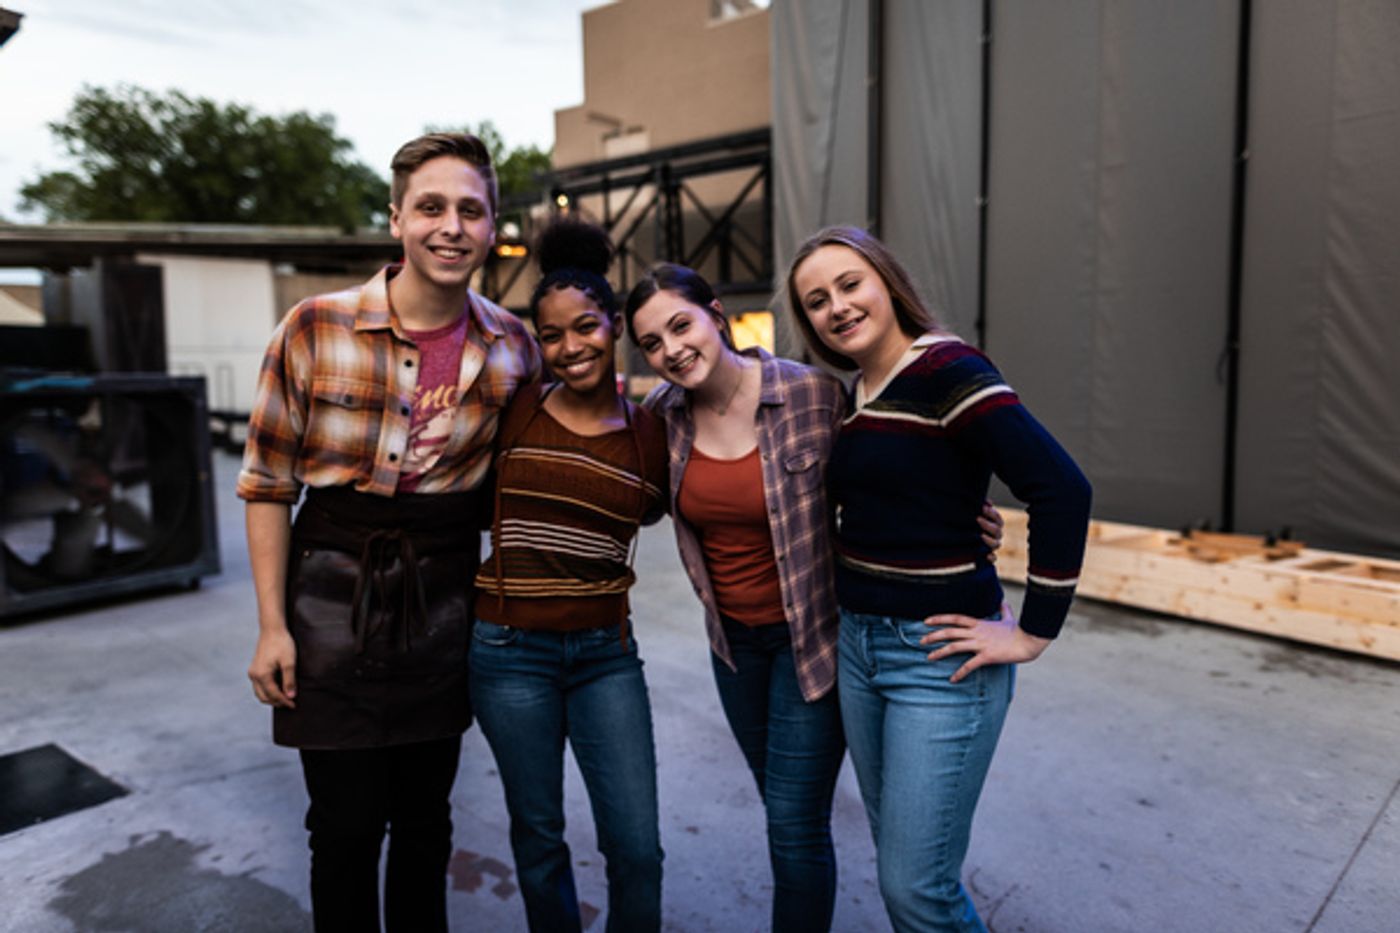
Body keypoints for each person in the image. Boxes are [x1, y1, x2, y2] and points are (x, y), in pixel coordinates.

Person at [624, 263, 1003, 932]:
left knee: (794, 824)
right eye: (652, 343)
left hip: (816, 642)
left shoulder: (814, 395)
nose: (672, 349)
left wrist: (962, 515)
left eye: (681, 324)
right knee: (782, 809)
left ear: (716, 313)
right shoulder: (661, 417)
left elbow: (894, 469)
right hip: (733, 649)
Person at [238, 132, 541, 933]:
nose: (451, 226)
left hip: (443, 598)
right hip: (330, 590)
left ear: (492, 226)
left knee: (425, 820)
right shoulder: (312, 327)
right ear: (396, 218)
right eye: (432, 207)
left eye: (470, 210)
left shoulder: (514, 346)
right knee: (342, 824)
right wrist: (272, 626)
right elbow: (267, 485)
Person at [785, 225, 1092, 933]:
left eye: (850, 283)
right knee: (908, 870)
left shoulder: (948, 369)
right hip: (860, 649)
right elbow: (896, 495)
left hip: (939, 658)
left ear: (888, 281)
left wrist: (1033, 632)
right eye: (817, 301)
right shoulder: (858, 390)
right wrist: (960, 515)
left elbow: (1060, 488)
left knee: (916, 888)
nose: (837, 306)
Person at [470, 218, 667, 933]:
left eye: (584, 327)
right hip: (506, 653)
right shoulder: (514, 408)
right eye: (551, 336)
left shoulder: (652, 433)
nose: (569, 347)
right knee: (540, 838)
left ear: (613, 325)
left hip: (604, 657)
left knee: (638, 849)